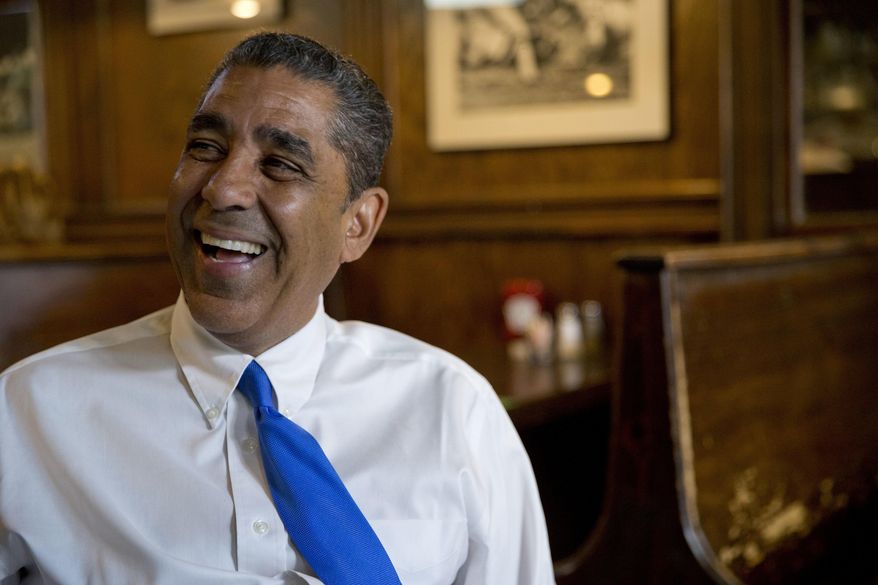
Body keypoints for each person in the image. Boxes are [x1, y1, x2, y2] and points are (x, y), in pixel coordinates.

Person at [0, 32, 555, 584]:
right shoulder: (27, 415)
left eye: (280, 163)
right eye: (206, 148)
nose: (223, 189)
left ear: (357, 225)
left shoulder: (454, 412)